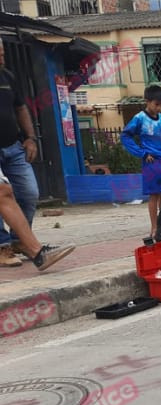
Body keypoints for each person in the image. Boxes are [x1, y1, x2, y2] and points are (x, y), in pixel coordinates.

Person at [0, 43, 62, 267]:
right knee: (3, 193)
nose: (2, 57)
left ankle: (20, 242)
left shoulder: (7, 76)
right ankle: (24, 250)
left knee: (28, 193)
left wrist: (30, 137)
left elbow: (20, 108)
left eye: (3, 52)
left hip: (12, 146)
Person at [121, 84, 161, 238]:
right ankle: (154, 227)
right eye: (156, 104)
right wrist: (142, 153)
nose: (159, 108)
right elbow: (125, 136)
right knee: (154, 195)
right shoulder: (140, 118)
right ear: (148, 101)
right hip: (151, 162)